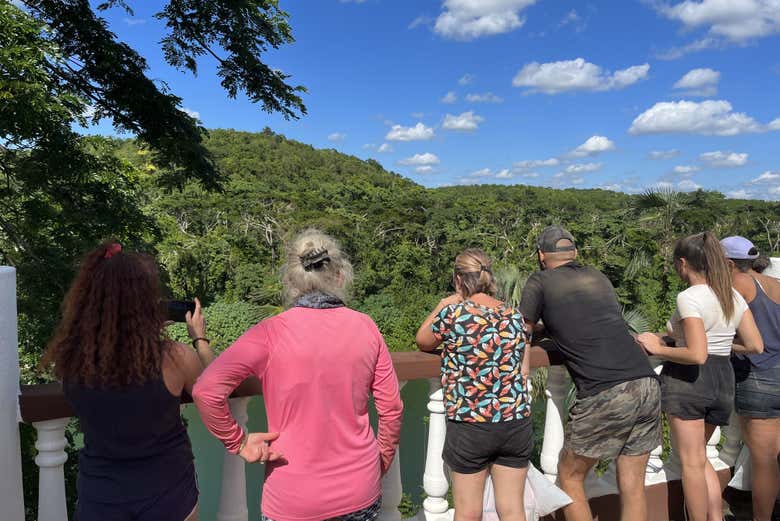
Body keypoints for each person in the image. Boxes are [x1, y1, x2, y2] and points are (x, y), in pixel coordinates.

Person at [193, 229, 403, 521]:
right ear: (340, 276)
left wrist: (238, 442)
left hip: (293, 498)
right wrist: (379, 463)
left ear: (291, 282)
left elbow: (207, 390)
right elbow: (391, 409)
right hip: (360, 489)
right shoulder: (366, 327)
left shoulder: (271, 332)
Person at [41, 242, 214, 521]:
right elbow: (216, 387)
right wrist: (199, 338)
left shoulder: (71, 362)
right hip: (168, 494)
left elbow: (114, 364)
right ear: (145, 303)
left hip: (100, 497)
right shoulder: (173, 357)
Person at [520, 226, 661, 521]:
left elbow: (522, 329)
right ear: (575, 253)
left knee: (569, 475)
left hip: (606, 390)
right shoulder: (597, 276)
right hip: (646, 381)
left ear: (541, 255)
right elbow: (589, 320)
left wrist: (523, 367)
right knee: (633, 483)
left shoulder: (540, 280)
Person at [638, 232, 763, 521]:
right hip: (723, 378)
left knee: (691, 463)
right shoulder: (730, 294)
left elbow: (696, 354)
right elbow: (756, 345)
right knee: (701, 458)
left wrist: (657, 347)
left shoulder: (689, 297)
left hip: (691, 381)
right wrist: (718, 343)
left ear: (683, 263)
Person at [416, 248, 533, 521]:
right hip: (514, 421)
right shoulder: (513, 316)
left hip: (471, 423)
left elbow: (423, 340)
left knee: (468, 511)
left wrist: (444, 304)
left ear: (458, 279)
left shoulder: (454, 314)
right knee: (513, 508)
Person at [721, 236, 779, 521]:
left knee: (764, 460)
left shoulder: (737, 285)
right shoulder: (775, 285)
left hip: (757, 374)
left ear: (729, 264)